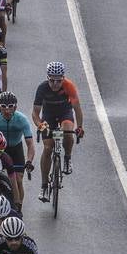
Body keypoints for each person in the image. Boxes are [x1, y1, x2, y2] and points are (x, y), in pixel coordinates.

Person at [32, 61, 84, 196]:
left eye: (58, 81)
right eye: (52, 80)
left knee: (67, 132)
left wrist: (79, 127)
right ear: (47, 78)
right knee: (48, 148)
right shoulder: (42, 88)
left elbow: (77, 109)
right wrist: (40, 125)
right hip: (48, 117)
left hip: (64, 113)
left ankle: (67, 158)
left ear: (63, 78)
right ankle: (44, 186)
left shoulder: (69, 86)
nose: (55, 84)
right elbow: (35, 113)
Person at [0, 91, 35, 206]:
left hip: (16, 149)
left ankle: (18, 206)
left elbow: (30, 144)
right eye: (3, 107)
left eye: (11, 107)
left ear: (16, 107)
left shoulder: (22, 119)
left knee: (18, 180)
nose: (7, 111)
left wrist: (29, 161)